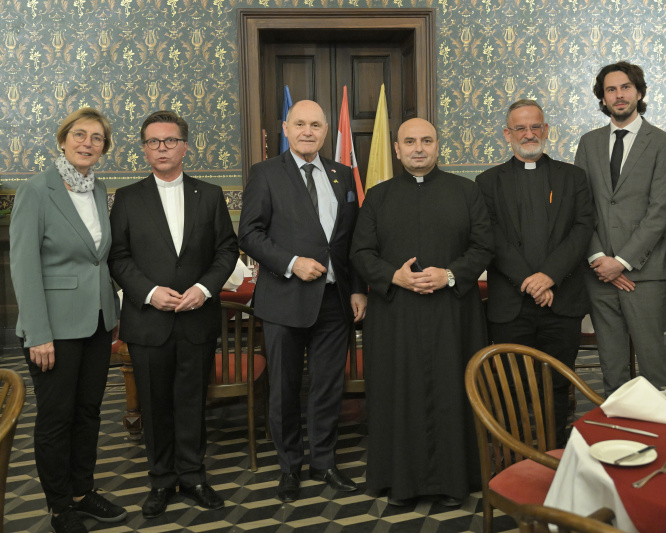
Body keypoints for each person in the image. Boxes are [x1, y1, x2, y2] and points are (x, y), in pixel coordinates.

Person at [350, 118, 493, 507]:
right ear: (397, 149)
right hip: (396, 316)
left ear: (437, 146)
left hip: (452, 315)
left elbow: (484, 246)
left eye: (426, 140)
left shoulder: (466, 191)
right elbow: (360, 252)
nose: (418, 148)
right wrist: (393, 276)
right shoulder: (378, 196)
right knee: (399, 395)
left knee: (452, 392)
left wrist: (450, 274)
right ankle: (399, 482)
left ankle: (455, 480)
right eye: (410, 141)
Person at [108, 110, 238, 518]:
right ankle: (161, 480)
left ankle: (195, 476)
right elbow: (118, 256)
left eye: (170, 141)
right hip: (148, 321)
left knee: (192, 403)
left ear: (185, 147)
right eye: (153, 142)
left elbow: (226, 250)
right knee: (154, 405)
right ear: (144, 150)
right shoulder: (127, 197)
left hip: (197, 318)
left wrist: (203, 289)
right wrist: (149, 293)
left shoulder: (210, 194)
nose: (161, 148)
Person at [238, 100, 367, 503]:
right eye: (300, 124)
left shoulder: (342, 174)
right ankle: (290, 466)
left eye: (315, 125)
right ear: (286, 128)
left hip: (334, 301)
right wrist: (292, 263)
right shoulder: (265, 173)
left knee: (328, 387)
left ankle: (323, 461)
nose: (307, 131)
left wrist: (358, 288)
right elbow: (249, 234)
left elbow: (352, 240)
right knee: (284, 389)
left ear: (326, 130)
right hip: (284, 298)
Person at [10, 107, 126, 533]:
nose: (87, 143)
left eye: (97, 138)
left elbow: (98, 260)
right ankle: (60, 507)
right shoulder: (36, 190)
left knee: (89, 412)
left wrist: (112, 312)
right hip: (53, 329)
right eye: (79, 134)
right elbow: (24, 266)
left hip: (96, 322)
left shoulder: (98, 189)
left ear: (103, 148)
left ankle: (82, 491)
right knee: (56, 419)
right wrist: (38, 333)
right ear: (62, 140)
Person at [476, 100, 594, 447]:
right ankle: (515, 454)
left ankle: (553, 452)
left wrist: (549, 276)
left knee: (558, 384)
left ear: (546, 130)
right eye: (520, 128)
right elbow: (491, 236)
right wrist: (531, 283)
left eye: (535, 127)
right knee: (513, 385)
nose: (529, 134)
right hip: (511, 304)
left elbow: (582, 229)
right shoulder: (487, 182)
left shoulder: (573, 178)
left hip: (562, 300)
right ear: (507, 134)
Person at [575, 61, 666, 396]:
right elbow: (581, 208)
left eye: (625, 87)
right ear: (603, 98)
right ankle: (616, 423)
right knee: (612, 365)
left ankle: (659, 426)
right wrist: (598, 259)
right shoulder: (589, 143)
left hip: (643, 274)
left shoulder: (663, 143)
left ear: (639, 92)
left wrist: (621, 262)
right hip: (598, 274)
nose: (618, 95)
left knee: (653, 365)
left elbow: (659, 211)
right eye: (611, 89)